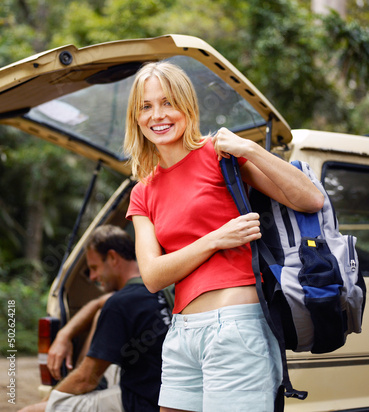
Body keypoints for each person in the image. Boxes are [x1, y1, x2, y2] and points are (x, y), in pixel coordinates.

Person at [124, 61, 325, 412]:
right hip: (182, 332)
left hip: (235, 329)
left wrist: (248, 149)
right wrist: (216, 238)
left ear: (187, 106)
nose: (158, 115)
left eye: (168, 102)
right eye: (146, 106)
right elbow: (154, 276)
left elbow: (311, 199)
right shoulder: (143, 190)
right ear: (136, 117)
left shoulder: (219, 156)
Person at [18, 225, 172, 412]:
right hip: (165, 394)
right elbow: (100, 303)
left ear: (113, 258)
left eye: (94, 267)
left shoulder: (120, 304)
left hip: (139, 402)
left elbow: (86, 380)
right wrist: (64, 335)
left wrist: (48, 402)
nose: (92, 276)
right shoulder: (160, 288)